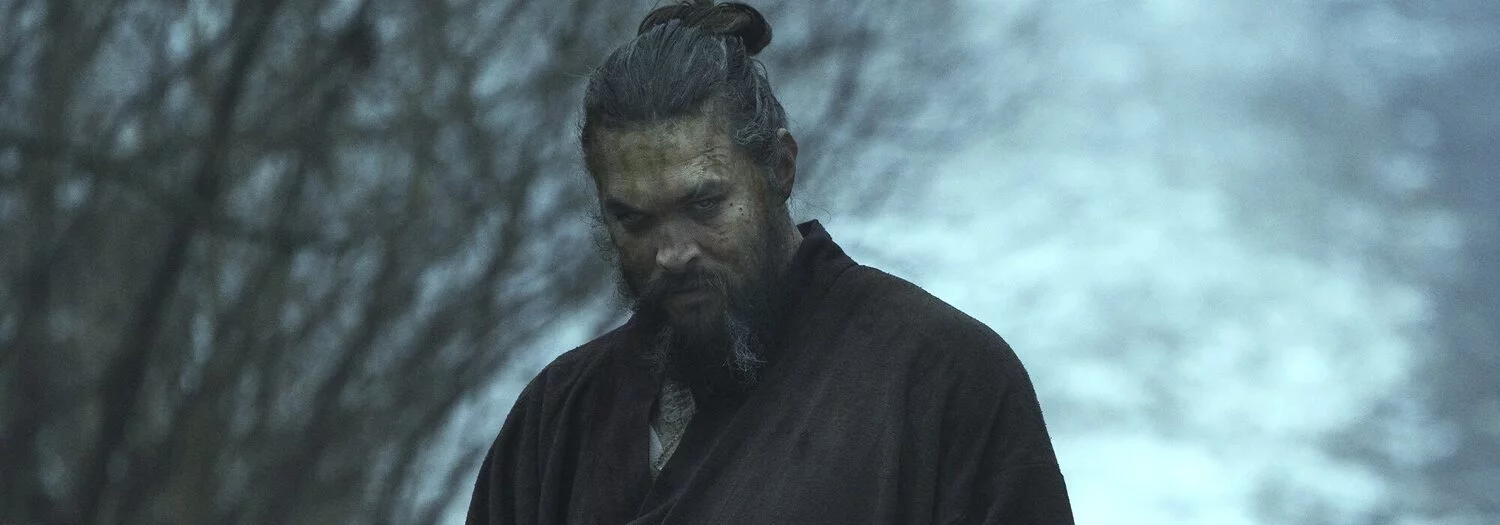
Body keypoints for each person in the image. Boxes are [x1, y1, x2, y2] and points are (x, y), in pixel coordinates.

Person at [465, 2, 1073, 523]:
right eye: (634, 219)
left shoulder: (942, 375)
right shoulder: (556, 420)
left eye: (704, 203)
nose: (672, 253)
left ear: (779, 169)